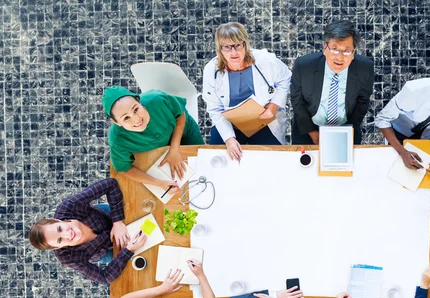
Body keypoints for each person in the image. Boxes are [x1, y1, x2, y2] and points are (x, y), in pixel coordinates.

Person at [28, 178, 147, 284]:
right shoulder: (67, 257)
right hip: (105, 250)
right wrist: (129, 250)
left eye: (60, 228)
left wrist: (117, 222)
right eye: (60, 240)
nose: (68, 234)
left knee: (147, 216)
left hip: (109, 217)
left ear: (57, 220)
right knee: (144, 252)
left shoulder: (70, 206)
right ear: (56, 248)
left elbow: (110, 184)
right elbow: (105, 277)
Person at [202, 22, 292, 161]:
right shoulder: (211, 70)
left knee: (273, 159)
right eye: (227, 47)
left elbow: (285, 77)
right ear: (220, 49)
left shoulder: (265, 60)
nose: (234, 52)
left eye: (238, 45)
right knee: (218, 159)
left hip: (262, 120)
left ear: (245, 44)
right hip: (229, 122)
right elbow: (214, 109)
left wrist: (273, 106)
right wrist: (229, 138)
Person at [102, 85, 204, 193]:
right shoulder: (118, 140)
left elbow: (181, 115)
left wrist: (174, 150)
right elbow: (124, 169)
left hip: (183, 132)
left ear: (139, 101)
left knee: (201, 163)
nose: (137, 119)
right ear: (116, 122)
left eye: (136, 109)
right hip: (157, 153)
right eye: (126, 118)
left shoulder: (157, 100)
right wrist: (159, 183)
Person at [290, 20, 374, 145]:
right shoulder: (304, 66)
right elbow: (297, 100)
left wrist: (346, 132)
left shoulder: (365, 68)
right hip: (308, 129)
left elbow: (362, 103)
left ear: (354, 52)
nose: (340, 57)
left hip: (346, 129)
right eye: (334, 49)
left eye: (346, 51)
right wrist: (312, 133)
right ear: (325, 47)